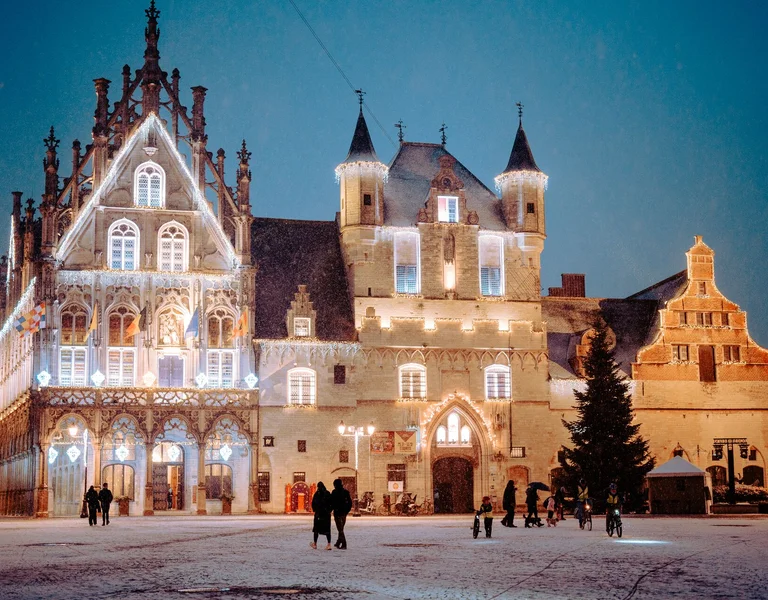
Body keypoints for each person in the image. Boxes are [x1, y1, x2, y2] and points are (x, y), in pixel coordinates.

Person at [330, 478, 352, 549]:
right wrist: (347, 511)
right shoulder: (346, 492)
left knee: (340, 529)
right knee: (341, 528)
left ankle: (344, 544)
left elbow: (332, 502)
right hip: (344, 513)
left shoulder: (334, 492)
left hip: (337, 512)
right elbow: (350, 503)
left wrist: (330, 510)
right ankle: (338, 542)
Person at [310, 481, 333, 550]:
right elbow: (331, 503)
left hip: (318, 514)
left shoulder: (317, 494)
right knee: (327, 530)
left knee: (316, 530)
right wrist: (329, 510)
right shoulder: (327, 493)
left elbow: (313, 503)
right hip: (326, 514)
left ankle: (315, 543)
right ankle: (328, 544)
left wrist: (315, 510)